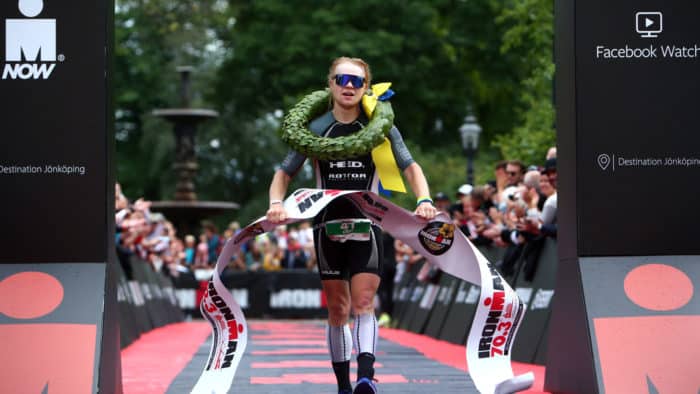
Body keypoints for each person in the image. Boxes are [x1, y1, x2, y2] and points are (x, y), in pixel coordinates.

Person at [266, 56, 437, 394]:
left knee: (363, 302)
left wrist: (425, 199)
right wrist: (275, 204)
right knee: (337, 309)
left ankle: (366, 376)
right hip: (326, 225)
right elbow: (283, 173)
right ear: (329, 84)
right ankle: (344, 386)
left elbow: (410, 166)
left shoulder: (379, 127)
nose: (348, 86)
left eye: (356, 81)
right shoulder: (315, 130)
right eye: (342, 79)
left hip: (367, 223)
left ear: (365, 88)